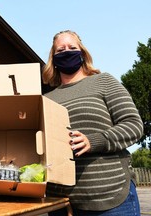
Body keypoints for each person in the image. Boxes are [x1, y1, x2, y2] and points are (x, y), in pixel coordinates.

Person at [42, 30, 144, 216]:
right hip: (62, 204)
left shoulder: (103, 81)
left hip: (110, 199)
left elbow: (133, 124)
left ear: (82, 53)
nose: (67, 52)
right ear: (53, 59)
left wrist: (94, 141)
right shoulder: (46, 99)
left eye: (72, 48)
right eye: (60, 50)